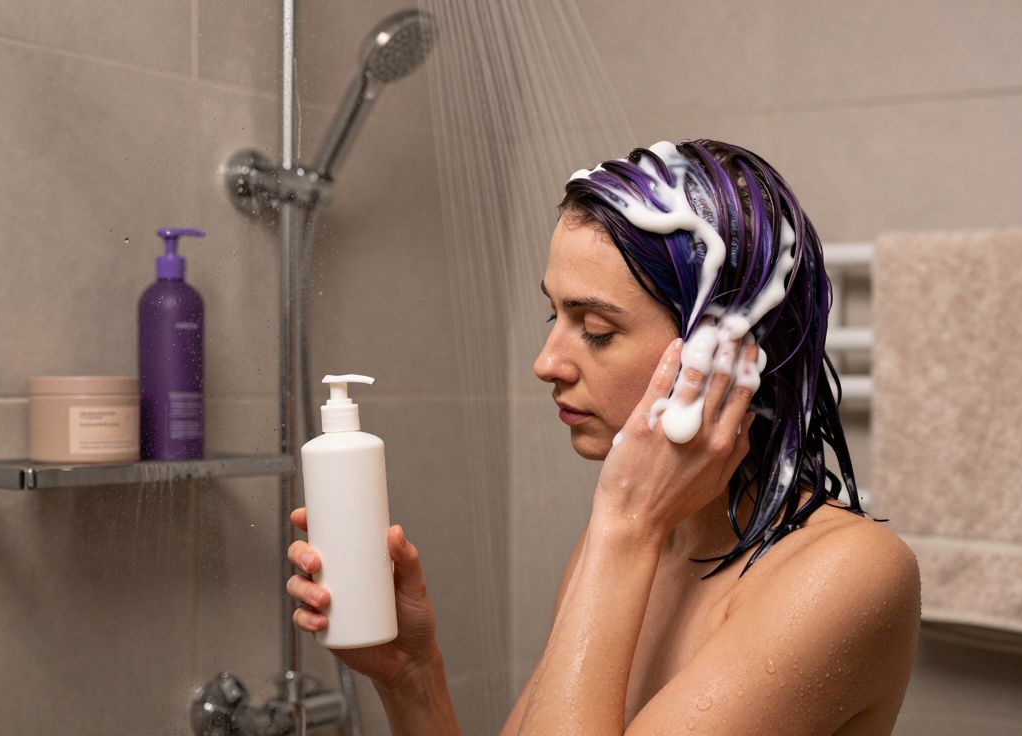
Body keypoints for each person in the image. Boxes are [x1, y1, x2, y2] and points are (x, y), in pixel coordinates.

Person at [285, 139, 921, 735]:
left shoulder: (846, 574)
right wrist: (412, 676)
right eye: (553, 314)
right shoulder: (626, 541)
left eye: (595, 328)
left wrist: (625, 527)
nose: (546, 362)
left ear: (721, 356)